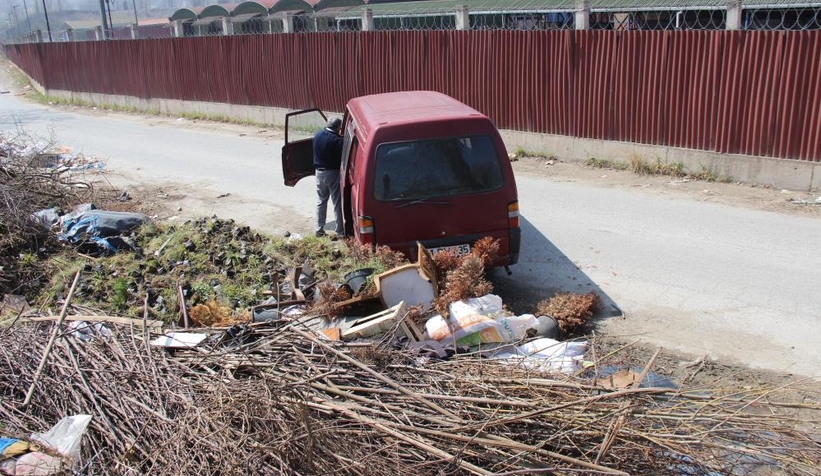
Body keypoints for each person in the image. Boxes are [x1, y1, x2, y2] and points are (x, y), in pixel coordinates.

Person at [312, 117, 344, 238]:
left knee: (321, 201)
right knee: (336, 201)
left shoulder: (317, 135)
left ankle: (319, 229)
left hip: (319, 173)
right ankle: (340, 231)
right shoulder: (336, 140)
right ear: (338, 127)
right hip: (332, 173)